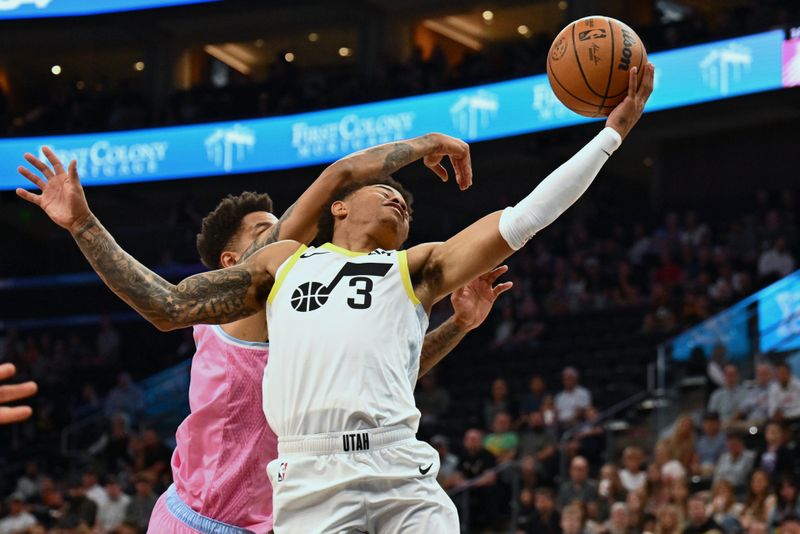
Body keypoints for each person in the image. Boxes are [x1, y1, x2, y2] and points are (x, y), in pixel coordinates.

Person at [18, 63, 654, 531]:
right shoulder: (281, 270)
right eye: (268, 230)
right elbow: (167, 303)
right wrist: (82, 223)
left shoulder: (415, 270)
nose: (400, 198)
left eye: (405, 203)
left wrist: (610, 135)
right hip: (262, 498)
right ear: (340, 210)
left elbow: (523, 218)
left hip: (397, 471)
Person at [17, 138, 507, 533]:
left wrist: (459, 325)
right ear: (234, 263)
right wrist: (422, 145)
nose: (286, 235)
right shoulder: (243, 310)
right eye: (264, 232)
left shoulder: (311, 316)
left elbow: (393, 376)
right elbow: (334, 179)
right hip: (202, 523)